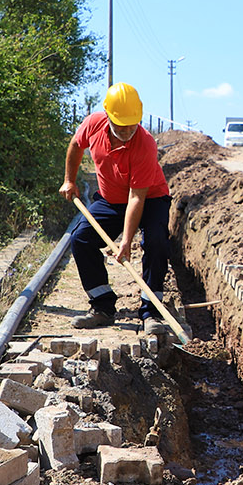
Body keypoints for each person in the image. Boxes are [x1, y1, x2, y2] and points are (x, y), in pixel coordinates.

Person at [59, 82, 172, 333]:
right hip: (111, 199)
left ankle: (151, 312)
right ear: (108, 116)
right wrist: (69, 180)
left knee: (156, 242)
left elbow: (136, 198)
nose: (128, 130)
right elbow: (77, 145)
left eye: (133, 124)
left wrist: (126, 242)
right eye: (122, 125)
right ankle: (102, 307)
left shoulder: (145, 144)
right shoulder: (93, 124)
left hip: (150, 198)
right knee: (81, 239)